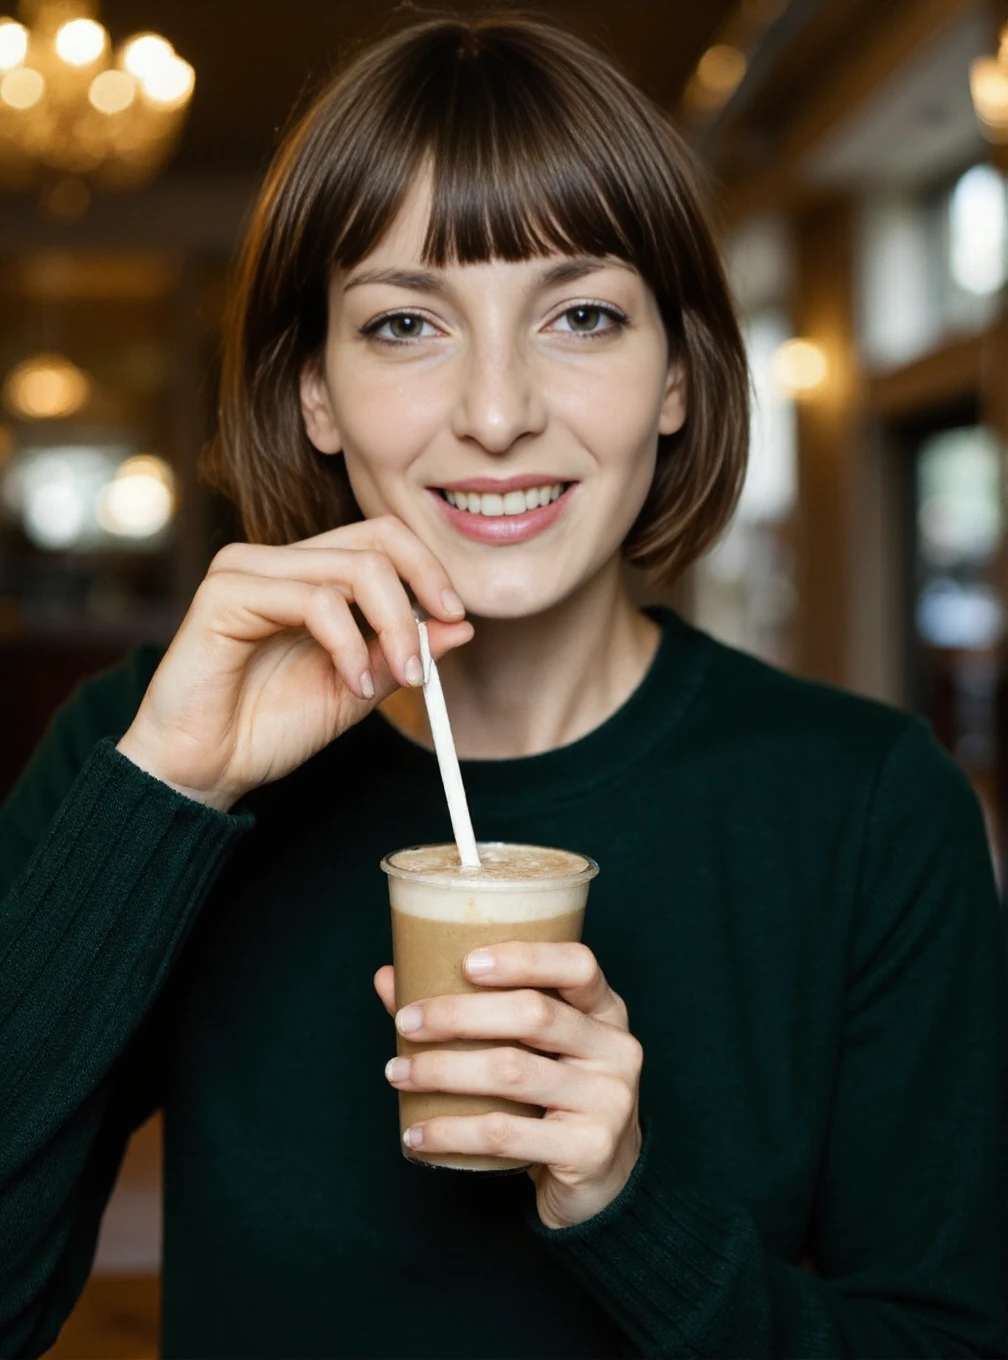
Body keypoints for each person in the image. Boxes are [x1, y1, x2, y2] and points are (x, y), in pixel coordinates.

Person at [1, 11, 1005, 1359]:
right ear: (315, 392)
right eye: (407, 323)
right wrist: (163, 792)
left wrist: (627, 1207)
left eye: (581, 315)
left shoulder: (869, 808)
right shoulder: (142, 751)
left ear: (676, 380)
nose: (494, 412)